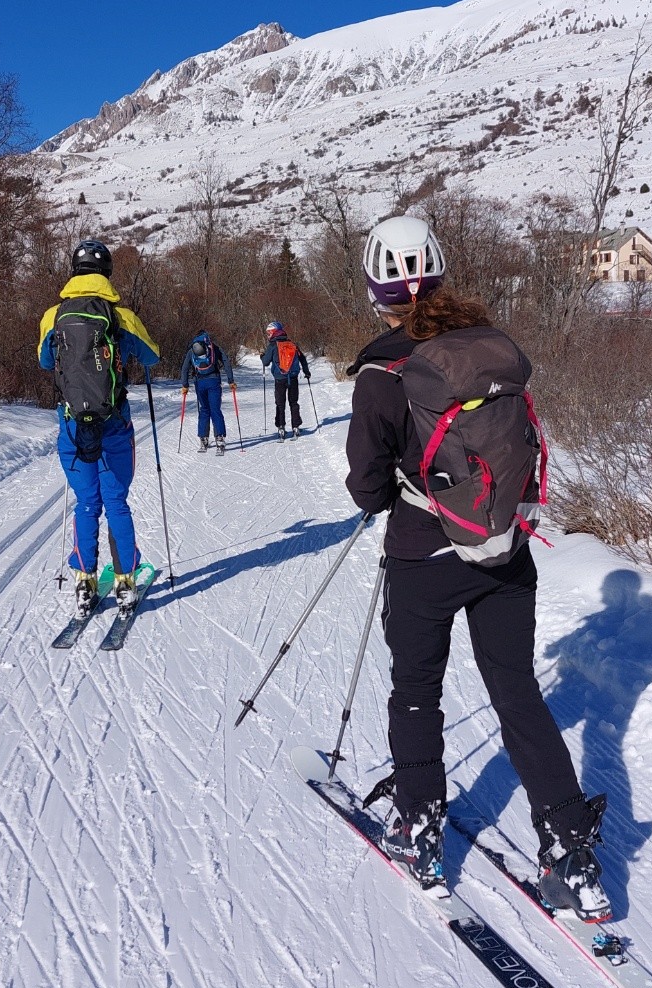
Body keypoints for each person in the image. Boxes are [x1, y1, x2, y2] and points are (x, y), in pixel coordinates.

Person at [344, 214, 611, 920]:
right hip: (502, 545)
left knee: (416, 690)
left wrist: (385, 489)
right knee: (516, 689)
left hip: (423, 554)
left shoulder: (380, 369)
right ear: (440, 269)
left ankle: (420, 830)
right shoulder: (490, 346)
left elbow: (368, 487)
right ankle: (570, 851)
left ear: (376, 286)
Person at [38, 238, 160, 616]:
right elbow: (152, 356)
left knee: (87, 503)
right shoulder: (121, 316)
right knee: (116, 503)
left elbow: (45, 362)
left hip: (73, 426)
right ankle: (125, 583)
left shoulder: (52, 315)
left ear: (73, 271)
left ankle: (85, 583)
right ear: (107, 272)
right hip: (114, 425)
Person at [179, 330, 236, 454]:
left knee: (204, 409)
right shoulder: (214, 347)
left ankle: (203, 440)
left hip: (200, 383)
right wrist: (231, 380)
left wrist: (185, 385)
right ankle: (219, 439)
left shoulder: (192, 350)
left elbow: (184, 368)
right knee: (215, 409)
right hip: (214, 381)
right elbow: (226, 362)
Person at [262, 320, 310, 438]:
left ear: (274, 332)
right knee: (293, 402)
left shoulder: (273, 345)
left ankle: (281, 427)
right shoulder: (292, 344)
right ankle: (296, 427)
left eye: (269, 333)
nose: (268, 335)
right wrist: (306, 371)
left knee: (280, 403)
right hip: (293, 378)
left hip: (280, 379)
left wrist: (262, 356)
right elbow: (302, 359)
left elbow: (266, 362)